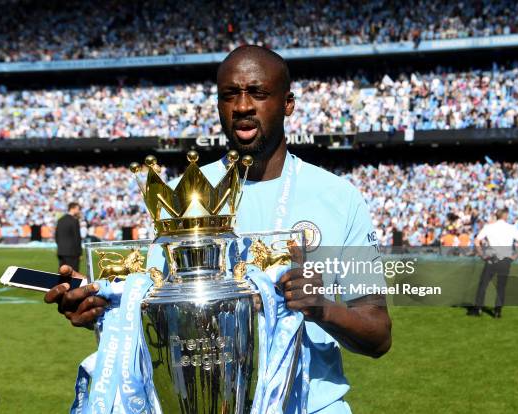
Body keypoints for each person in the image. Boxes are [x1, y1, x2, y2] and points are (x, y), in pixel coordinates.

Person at [45, 45, 392, 413]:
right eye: (230, 95)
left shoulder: (339, 197)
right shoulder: (186, 197)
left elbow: (378, 334)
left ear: (287, 103)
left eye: (258, 93)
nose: (242, 105)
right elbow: (156, 313)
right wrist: (103, 309)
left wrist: (322, 309)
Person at [469, 208, 518, 318]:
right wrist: (514, 257)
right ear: (506, 216)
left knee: (483, 284)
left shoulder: (489, 227)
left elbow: (476, 241)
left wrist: (482, 255)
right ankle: (497, 311)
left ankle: (478, 309)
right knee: (501, 286)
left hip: (491, 258)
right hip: (505, 260)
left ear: (496, 216)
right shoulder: (511, 228)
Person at [55, 202, 82, 272]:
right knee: (73, 273)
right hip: (72, 252)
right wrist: (79, 253)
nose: (79, 211)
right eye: (78, 209)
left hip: (61, 251)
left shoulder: (60, 220)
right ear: (72, 209)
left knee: (62, 273)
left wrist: (61, 246)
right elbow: (77, 238)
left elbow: (56, 236)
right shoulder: (74, 221)